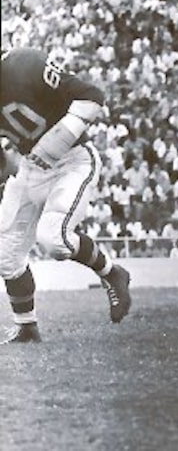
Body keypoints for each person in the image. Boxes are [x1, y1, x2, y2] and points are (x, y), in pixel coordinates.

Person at [0, 48, 132, 344]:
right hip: (28, 168)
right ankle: (27, 327)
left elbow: (92, 96)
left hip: (72, 160)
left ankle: (112, 273)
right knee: (5, 255)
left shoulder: (24, 64)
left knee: (54, 240)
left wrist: (54, 144)